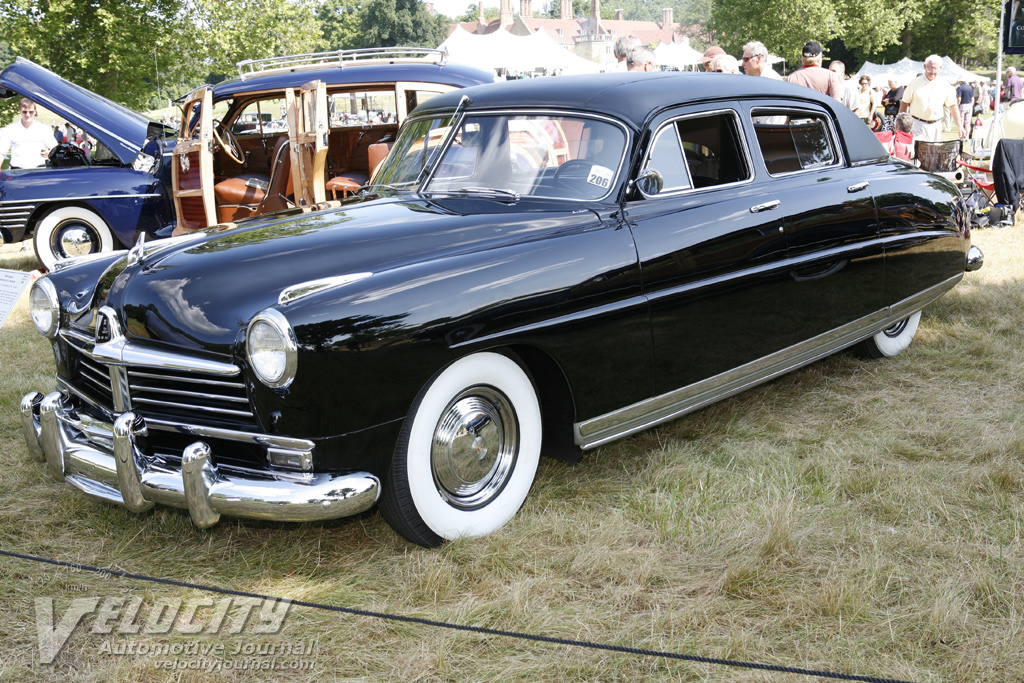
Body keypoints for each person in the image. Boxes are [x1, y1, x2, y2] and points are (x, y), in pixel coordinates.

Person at [899, 55, 965, 141]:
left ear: (940, 68)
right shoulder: (914, 83)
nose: (932, 72)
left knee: (933, 153)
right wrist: (900, 124)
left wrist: (960, 126)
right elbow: (904, 103)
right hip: (917, 124)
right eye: (930, 68)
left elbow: (952, 105)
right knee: (917, 152)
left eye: (935, 69)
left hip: (936, 126)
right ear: (925, 67)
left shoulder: (945, 84)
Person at [0, 98, 56, 169]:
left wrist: (49, 153)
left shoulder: (44, 129)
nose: (28, 115)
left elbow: (55, 149)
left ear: (35, 112)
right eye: (24, 112)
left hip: (40, 172)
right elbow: (1, 152)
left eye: (31, 112)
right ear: (19, 111)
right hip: (17, 173)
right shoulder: (10, 130)